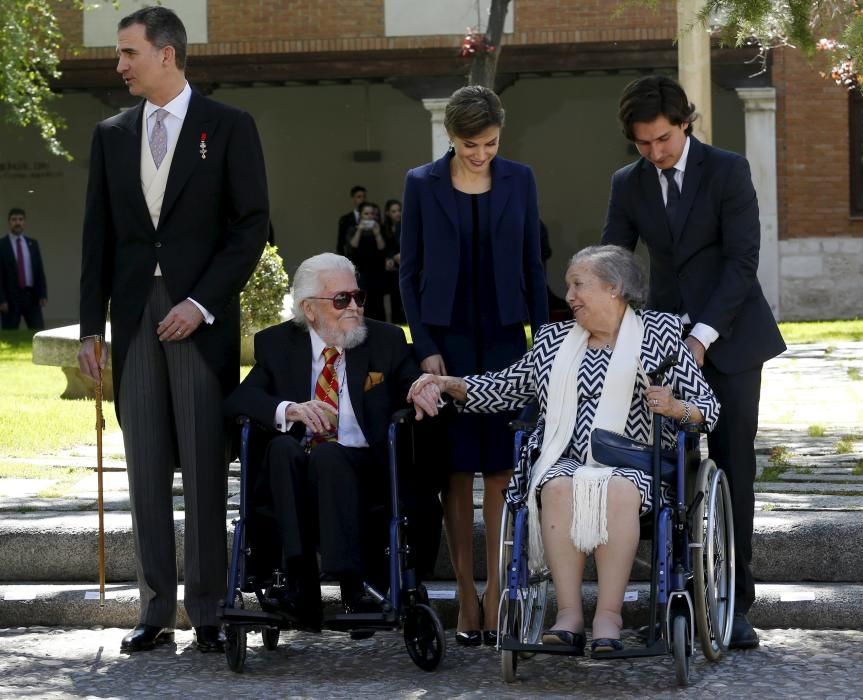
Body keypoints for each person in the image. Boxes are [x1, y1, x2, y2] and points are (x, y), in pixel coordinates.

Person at [408, 245, 719, 653]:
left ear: (614, 288)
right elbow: (504, 387)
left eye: (578, 285)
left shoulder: (660, 336)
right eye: (568, 285)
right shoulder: (554, 340)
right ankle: (569, 614)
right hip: (564, 459)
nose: (568, 295)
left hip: (636, 464)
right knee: (555, 486)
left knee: (617, 489)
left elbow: (708, 410)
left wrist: (676, 407)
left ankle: (609, 616)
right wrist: (450, 385)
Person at [76, 6, 269, 654]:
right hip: (132, 322)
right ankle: (155, 608)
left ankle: (210, 609)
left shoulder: (229, 127)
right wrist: (90, 330)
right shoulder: (110, 134)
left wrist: (201, 304)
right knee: (146, 466)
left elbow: (249, 230)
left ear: (166, 54)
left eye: (128, 52)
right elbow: (97, 236)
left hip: (198, 322)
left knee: (206, 468)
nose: (119, 65)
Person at [601, 75, 786, 649]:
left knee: (732, 465)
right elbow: (614, 260)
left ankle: (736, 606)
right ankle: (672, 596)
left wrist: (702, 337)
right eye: (642, 144)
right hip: (662, 338)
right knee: (666, 471)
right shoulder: (627, 183)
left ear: (685, 122)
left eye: (662, 139)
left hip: (730, 339)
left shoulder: (728, 170)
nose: (655, 153)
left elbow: (742, 260)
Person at [399, 85, 549, 646]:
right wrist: (426, 346)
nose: (480, 153)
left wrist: (543, 343)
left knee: (502, 471)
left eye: (488, 143)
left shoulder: (522, 179)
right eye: (469, 144)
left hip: (509, 340)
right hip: (449, 343)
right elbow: (409, 274)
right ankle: (465, 594)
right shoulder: (421, 183)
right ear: (451, 137)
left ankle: (496, 593)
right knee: (457, 471)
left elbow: (534, 265)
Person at [223, 253, 442, 630]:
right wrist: (288, 409)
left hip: (364, 468)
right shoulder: (278, 344)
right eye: (342, 300)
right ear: (309, 309)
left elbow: (408, 378)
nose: (354, 307)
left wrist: (420, 386)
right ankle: (299, 583)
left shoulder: (385, 340)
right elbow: (240, 400)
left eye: (358, 297)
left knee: (330, 458)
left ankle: (352, 582)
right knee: (281, 448)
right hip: (293, 472)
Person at [0, 208, 47, 330]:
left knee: (38, 330)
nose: (17, 223)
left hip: (31, 296)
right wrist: (1, 299)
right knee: (9, 333)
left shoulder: (32, 244)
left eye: (20, 219)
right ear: (9, 222)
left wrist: (42, 294)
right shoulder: (2, 245)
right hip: (10, 297)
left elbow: (39, 271)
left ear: (24, 222)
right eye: (14, 220)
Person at [345, 202, 387, 321]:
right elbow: (352, 247)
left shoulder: (380, 229)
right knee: (362, 302)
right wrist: (359, 230)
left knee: (378, 303)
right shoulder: (352, 229)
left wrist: (377, 233)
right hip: (360, 272)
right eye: (366, 214)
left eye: (372, 214)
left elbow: (383, 249)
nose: (370, 216)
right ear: (361, 215)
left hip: (377, 272)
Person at [382, 199, 404, 324]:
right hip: (390, 271)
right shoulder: (384, 228)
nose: (397, 213)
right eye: (393, 211)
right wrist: (389, 257)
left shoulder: (405, 226)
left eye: (399, 210)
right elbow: (383, 248)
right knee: (394, 301)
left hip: (402, 267)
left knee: (404, 302)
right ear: (387, 213)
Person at [337, 185, 367, 255]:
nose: (362, 199)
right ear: (353, 199)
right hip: (351, 256)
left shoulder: (372, 216)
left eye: (364, 197)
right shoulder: (345, 219)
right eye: (359, 197)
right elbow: (341, 243)